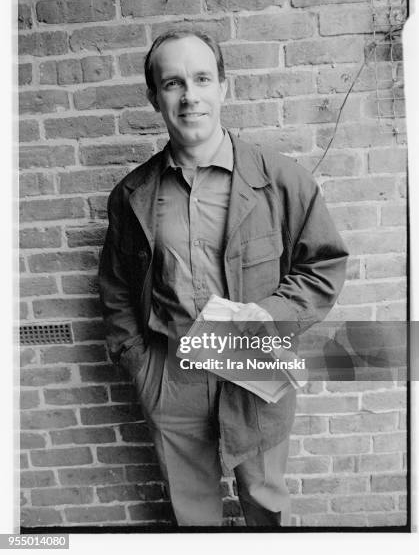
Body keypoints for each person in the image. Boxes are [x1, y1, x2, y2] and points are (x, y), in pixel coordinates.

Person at [98, 29, 348, 527]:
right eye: (173, 83)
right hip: (174, 374)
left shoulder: (279, 179)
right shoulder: (133, 195)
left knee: (265, 499)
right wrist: (145, 371)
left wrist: (273, 312)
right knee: (192, 513)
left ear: (223, 88)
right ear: (154, 97)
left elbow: (322, 264)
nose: (190, 95)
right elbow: (118, 291)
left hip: (255, 365)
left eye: (202, 79)